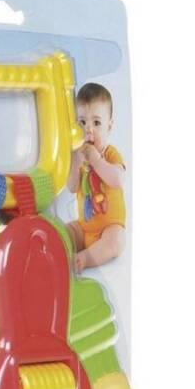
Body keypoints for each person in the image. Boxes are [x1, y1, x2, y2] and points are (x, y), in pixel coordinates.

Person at [66, 83, 126, 271]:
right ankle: (54, 254)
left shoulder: (110, 154)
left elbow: (117, 179)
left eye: (96, 123)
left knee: (117, 241)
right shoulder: (78, 156)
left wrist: (97, 161)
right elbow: (72, 187)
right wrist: (76, 162)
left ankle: (83, 259)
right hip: (83, 229)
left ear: (109, 126)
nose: (88, 130)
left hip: (109, 229)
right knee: (64, 232)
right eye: (82, 123)